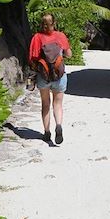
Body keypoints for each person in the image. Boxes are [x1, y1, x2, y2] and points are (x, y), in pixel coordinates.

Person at [28, 13, 72, 144]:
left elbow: (32, 59)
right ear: (54, 23)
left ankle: (47, 133)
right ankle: (58, 125)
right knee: (57, 104)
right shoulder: (60, 36)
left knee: (45, 104)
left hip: (44, 77)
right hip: (59, 76)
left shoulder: (37, 37)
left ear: (41, 24)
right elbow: (69, 54)